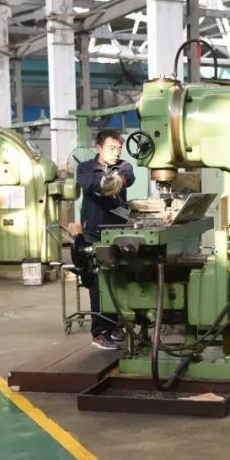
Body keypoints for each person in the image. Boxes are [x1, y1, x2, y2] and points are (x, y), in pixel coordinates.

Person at [76, 129, 136, 350]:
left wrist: (114, 181)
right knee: (98, 283)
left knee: (118, 281)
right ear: (99, 148)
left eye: (119, 148)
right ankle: (100, 333)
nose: (116, 152)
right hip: (94, 232)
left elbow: (126, 178)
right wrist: (107, 184)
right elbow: (92, 185)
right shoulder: (85, 168)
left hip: (118, 233)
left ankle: (115, 326)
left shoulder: (125, 166)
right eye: (111, 148)